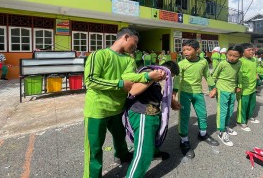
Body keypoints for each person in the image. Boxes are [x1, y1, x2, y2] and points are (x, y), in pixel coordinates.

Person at [83, 27, 166, 178]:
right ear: (126, 37)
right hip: (97, 110)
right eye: (135, 42)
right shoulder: (100, 54)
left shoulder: (129, 59)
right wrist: (120, 84)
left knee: (120, 137)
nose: (136, 46)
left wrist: (149, 76)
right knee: (94, 149)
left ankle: (121, 155)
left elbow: (130, 76)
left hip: (118, 109)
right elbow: (90, 80)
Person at [125, 61, 181, 178]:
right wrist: (152, 78)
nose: (167, 79)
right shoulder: (148, 73)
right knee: (143, 153)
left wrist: (172, 102)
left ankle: (154, 153)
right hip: (143, 115)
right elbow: (133, 90)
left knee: (154, 138)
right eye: (170, 76)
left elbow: (157, 95)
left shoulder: (155, 80)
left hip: (152, 114)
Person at [173, 39, 219, 159]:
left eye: (188, 49)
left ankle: (203, 134)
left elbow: (207, 75)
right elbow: (177, 79)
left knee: (202, 114)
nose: (185, 52)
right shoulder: (182, 64)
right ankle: (183, 140)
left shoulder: (203, 62)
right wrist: (174, 94)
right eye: (183, 50)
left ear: (197, 50)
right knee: (184, 116)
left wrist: (213, 87)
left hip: (198, 93)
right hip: (184, 93)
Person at [210, 45, 243, 146]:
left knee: (230, 109)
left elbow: (239, 75)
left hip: (232, 89)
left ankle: (225, 126)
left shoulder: (239, 63)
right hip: (221, 89)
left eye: (235, 56)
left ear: (240, 56)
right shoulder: (222, 63)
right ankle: (221, 131)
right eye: (230, 55)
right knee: (222, 110)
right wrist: (213, 89)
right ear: (226, 54)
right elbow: (214, 76)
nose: (232, 58)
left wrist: (239, 85)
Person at [236, 43, 259, 132]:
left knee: (251, 104)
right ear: (242, 52)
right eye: (249, 50)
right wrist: (238, 86)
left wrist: (257, 74)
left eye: (252, 50)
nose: (251, 51)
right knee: (243, 105)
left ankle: (249, 116)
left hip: (252, 87)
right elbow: (238, 75)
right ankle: (240, 121)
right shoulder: (240, 61)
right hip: (243, 88)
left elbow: (256, 69)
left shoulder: (254, 60)